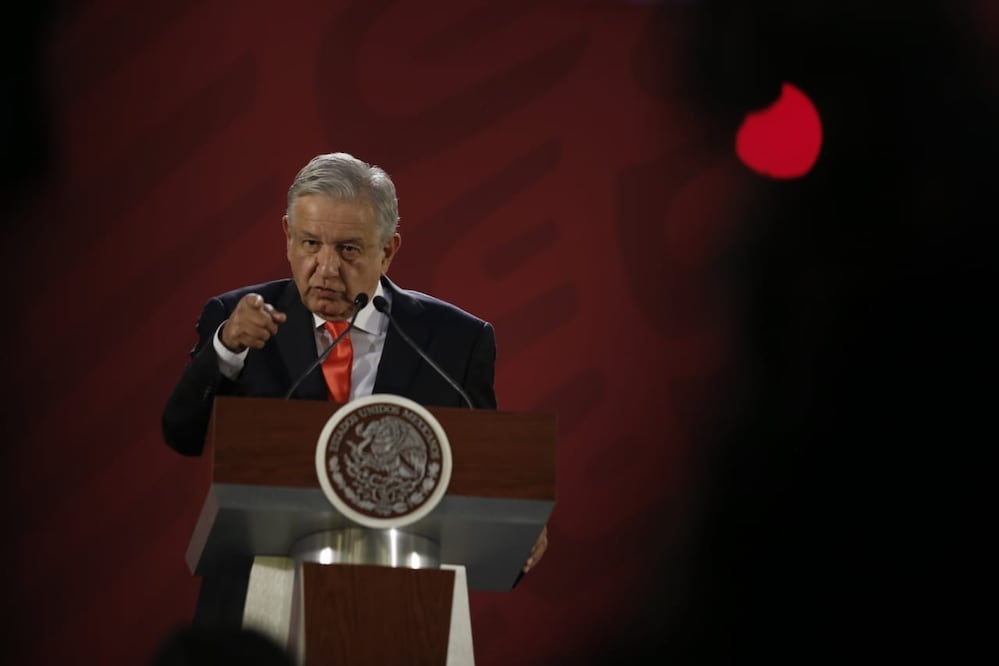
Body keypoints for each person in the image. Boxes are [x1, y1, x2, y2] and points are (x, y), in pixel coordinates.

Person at [162, 151, 548, 625]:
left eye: (348, 249)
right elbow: (181, 432)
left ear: (387, 250)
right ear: (287, 236)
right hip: (257, 611)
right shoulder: (237, 321)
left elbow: (483, 475)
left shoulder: (454, 342)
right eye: (310, 244)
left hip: (400, 612)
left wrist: (517, 525)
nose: (325, 268)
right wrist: (225, 350)